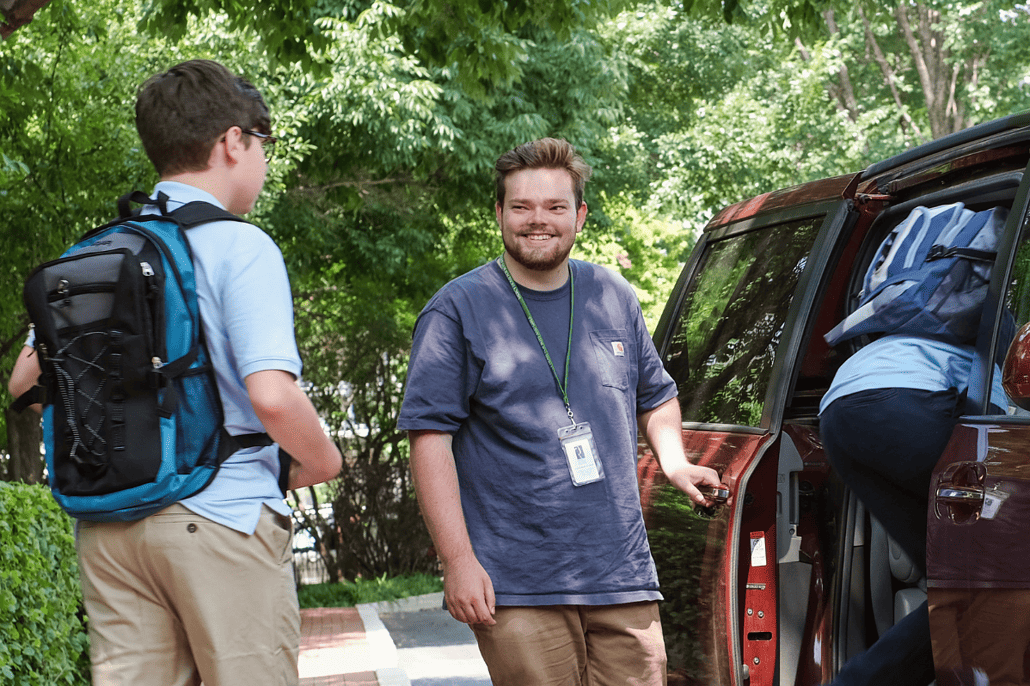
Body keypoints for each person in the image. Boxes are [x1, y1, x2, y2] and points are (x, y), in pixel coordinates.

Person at [8, 59, 342, 686]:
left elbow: (23, 385)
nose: (263, 161)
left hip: (109, 532)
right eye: (261, 143)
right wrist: (325, 461)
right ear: (233, 141)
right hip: (220, 517)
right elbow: (271, 396)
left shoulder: (95, 252)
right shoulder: (242, 246)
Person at [397, 137, 723, 685]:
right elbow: (429, 441)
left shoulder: (611, 294)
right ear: (499, 212)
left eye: (555, 207)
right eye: (521, 207)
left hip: (622, 574)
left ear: (580, 215)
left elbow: (655, 392)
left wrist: (674, 461)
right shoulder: (457, 309)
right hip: (516, 582)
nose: (537, 221)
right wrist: (458, 561)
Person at [818, 333, 1009, 686]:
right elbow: (997, 434)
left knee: (962, 583)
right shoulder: (998, 345)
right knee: (996, 574)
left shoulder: (927, 335)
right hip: (905, 398)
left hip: (837, 410)